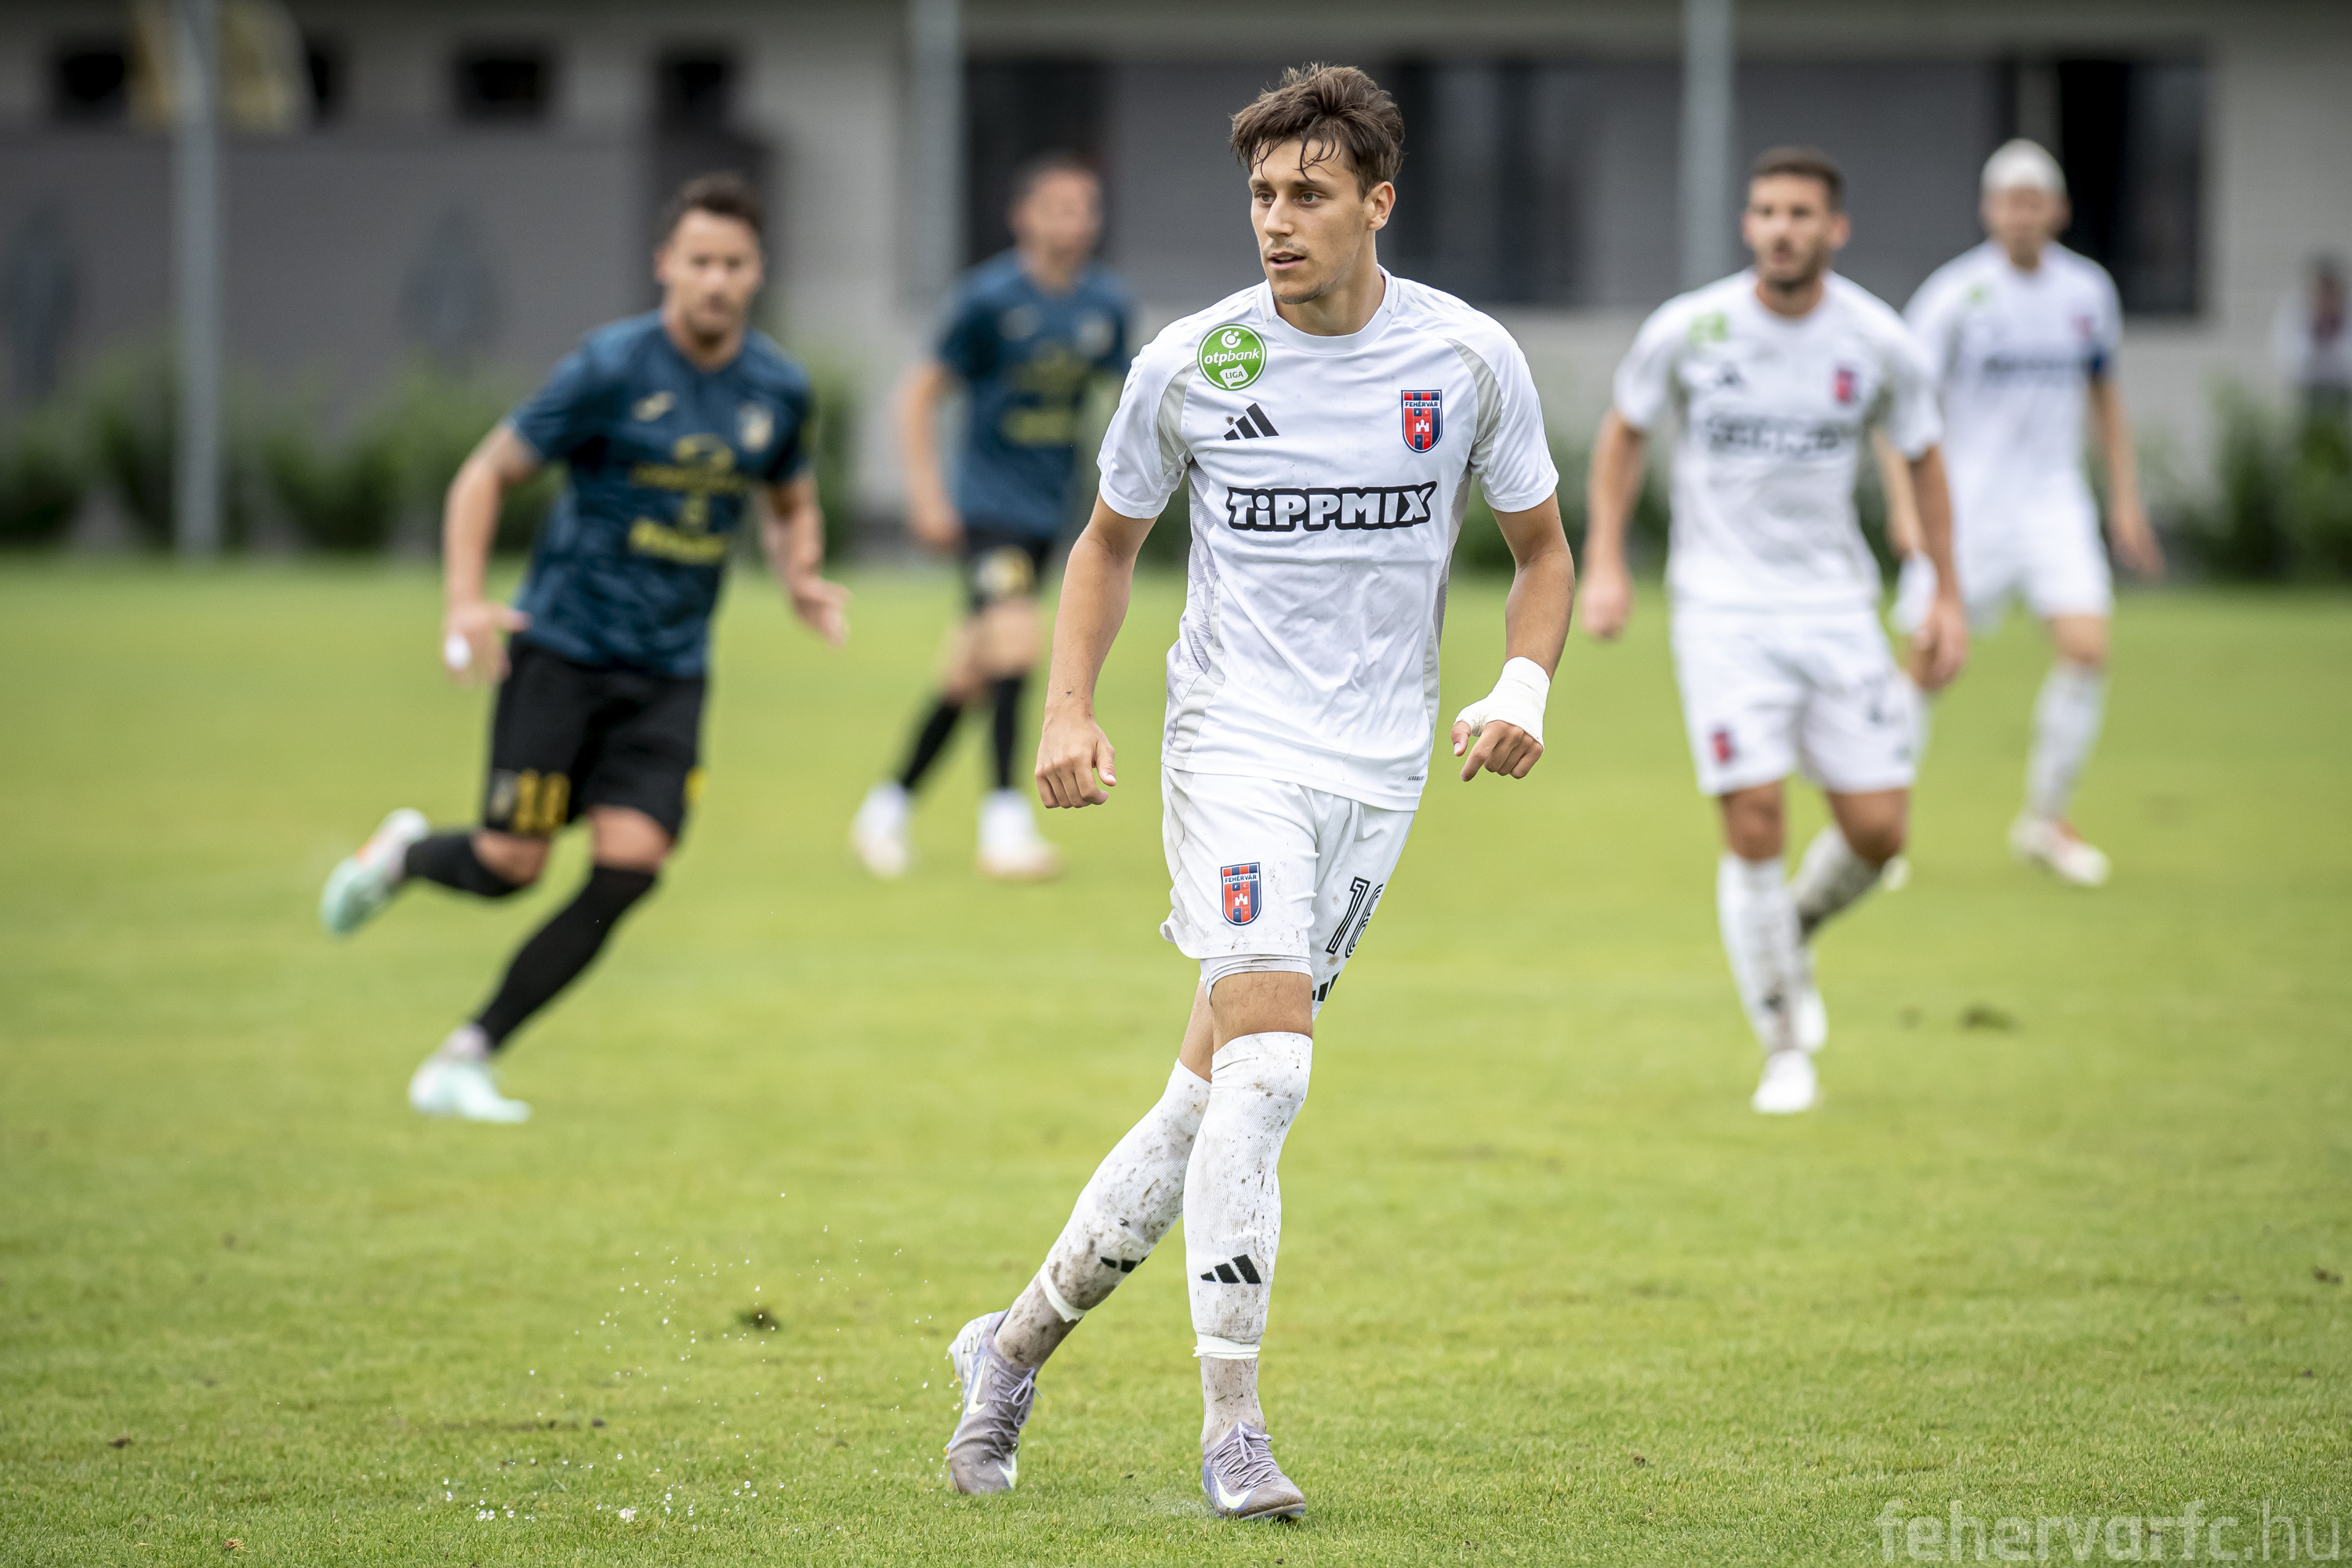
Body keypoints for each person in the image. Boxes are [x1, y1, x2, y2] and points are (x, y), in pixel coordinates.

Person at [938, 65, 1573, 1518]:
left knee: (1204, 1104)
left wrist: (1521, 688)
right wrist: (1068, 707)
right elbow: (1105, 545)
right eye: (1261, 196)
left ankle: (1009, 1350)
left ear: (1378, 203)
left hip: (1381, 771)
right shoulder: (1194, 363)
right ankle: (1234, 1427)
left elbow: (1544, 551)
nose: (1277, 222)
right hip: (1231, 747)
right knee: (1273, 1073)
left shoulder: (1466, 359)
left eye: (1308, 195)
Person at [318, 173, 849, 1123]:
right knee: (508, 866)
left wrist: (799, 571)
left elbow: (789, 496)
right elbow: (486, 474)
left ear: (757, 271)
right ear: (665, 265)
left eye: (733, 263)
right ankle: (402, 856)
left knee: (631, 865)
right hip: (563, 651)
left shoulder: (777, 386)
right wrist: (464, 602)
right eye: (700, 261)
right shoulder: (610, 367)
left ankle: (467, 1053)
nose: (716, 280)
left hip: (672, 669)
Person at [1581, 147, 1967, 1116]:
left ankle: (1786, 927)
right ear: (1747, 225)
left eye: (1800, 213)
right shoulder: (1692, 328)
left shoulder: (1876, 340)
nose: (1781, 229)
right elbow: (1625, 430)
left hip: (1837, 608)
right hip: (1722, 610)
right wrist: (1607, 559)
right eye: (1765, 212)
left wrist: (1947, 594)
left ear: (1835, 229)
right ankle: (1785, 1046)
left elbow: (1924, 457)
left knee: (1879, 832)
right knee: (1754, 817)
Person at [848, 154, 1131, 880]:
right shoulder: (987, 299)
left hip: (1050, 515)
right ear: (1023, 217)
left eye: (1086, 208)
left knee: (969, 674)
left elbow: (1129, 403)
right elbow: (918, 394)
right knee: (1016, 645)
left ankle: (885, 811)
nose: (1075, 222)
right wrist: (927, 496)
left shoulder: (1105, 304)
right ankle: (1004, 825)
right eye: (1059, 208)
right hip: (988, 509)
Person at [1891, 139, 2163, 887]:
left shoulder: (2087, 293)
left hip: (2053, 502)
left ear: (2059, 210)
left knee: (2087, 648)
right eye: (2008, 202)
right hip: (1965, 507)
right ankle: (1880, 832)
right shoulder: (1955, 295)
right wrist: (1906, 508)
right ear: (1989, 211)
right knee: (1928, 663)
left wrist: (2125, 499)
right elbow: (1900, 406)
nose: (2020, 215)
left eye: (2033, 202)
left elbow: (2106, 396)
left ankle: (2046, 820)